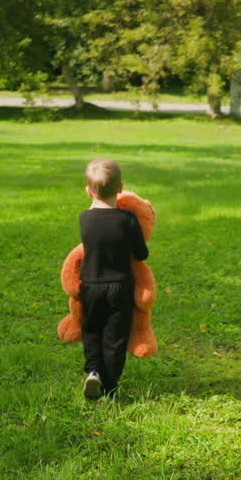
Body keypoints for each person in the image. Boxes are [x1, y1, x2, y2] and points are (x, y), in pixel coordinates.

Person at [77, 158, 148, 400]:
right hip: (119, 287)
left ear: (88, 191)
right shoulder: (128, 220)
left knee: (92, 330)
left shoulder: (84, 219)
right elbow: (141, 253)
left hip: (90, 285)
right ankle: (110, 385)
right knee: (115, 337)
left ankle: (93, 370)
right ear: (121, 188)